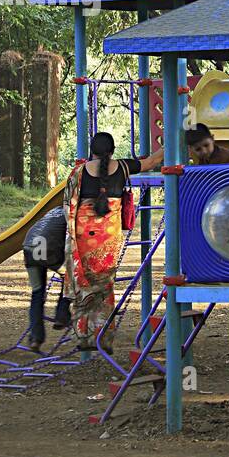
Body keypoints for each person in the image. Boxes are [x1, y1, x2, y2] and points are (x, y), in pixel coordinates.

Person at [64, 132, 164, 353]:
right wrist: (174, 141)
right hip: (108, 236)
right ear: (112, 151)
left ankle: (83, 336)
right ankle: (103, 337)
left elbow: (67, 206)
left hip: (83, 236)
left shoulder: (79, 172)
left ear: (92, 151)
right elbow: (153, 161)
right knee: (105, 284)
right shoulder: (122, 167)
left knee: (84, 283)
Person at [20, 207, 71, 354]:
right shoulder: (73, 213)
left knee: (37, 293)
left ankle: (36, 338)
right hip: (47, 248)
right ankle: (62, 315)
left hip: (29, 247)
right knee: (71, 278)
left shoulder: (52, 212)